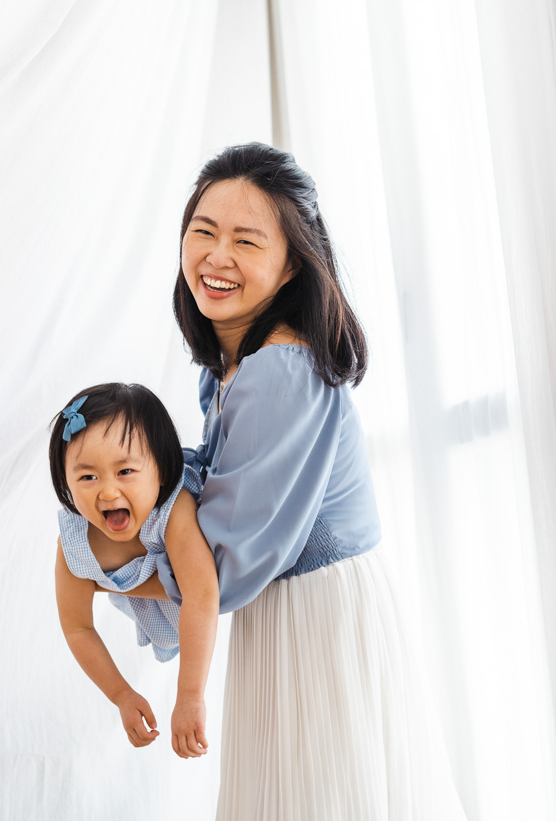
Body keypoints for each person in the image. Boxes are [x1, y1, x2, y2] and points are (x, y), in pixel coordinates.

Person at [141, 142, 468, 818]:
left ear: (291, 264)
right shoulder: (238, 363)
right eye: (202, 231)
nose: (216, 255)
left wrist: (110, 569)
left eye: (245, 239)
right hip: (295, 609)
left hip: (314, 618)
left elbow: (226, 558)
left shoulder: (278, 372)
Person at [49, 382, 219, 760]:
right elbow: (77, 627)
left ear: (159, 470)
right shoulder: (75, 544)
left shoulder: (172, 509)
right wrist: (121, 695)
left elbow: (202, 593)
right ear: (65, 480)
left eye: (125, 470)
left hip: (212, 616)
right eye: (87, 477)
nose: (107, 492)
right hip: (166, 617)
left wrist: (190, 696)